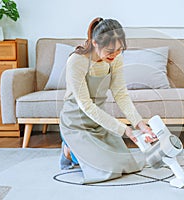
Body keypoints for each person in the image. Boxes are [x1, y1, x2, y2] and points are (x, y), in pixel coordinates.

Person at [59, 17, 156, 184]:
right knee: (106, 171)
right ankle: (68, 149)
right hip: (76, 123)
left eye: (119, 50)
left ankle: (81, 150)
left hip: (99, 122)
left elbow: (121, 94)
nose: (115, 54)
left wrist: (140, 124)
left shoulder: (115, 59)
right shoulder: (76, 61)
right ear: (95, 43)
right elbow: (87, 106)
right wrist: (124, 129)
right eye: (110, 50)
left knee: (125, 165)